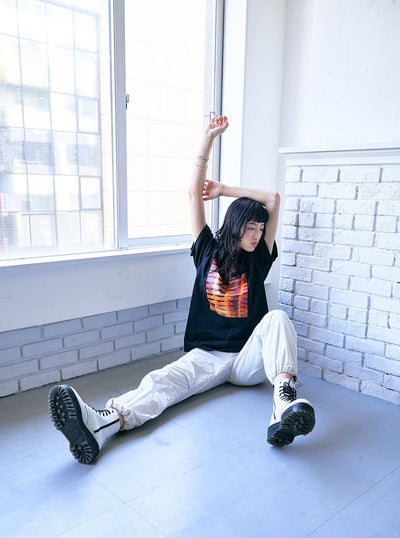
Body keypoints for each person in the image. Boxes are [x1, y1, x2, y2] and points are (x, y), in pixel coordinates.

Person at [48, 115, 315, 465]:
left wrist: (224, 189)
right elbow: (193, 193)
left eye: (260, 229)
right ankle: (103, 424)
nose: (257, 235)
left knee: (278, 318)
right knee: (164, 380)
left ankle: (283, 405)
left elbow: (273, 198)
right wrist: (208, 138)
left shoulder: (259, 258)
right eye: (251, 227)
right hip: (207, 355)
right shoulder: (207, 250)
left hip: (248, 357)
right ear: (235, 225)